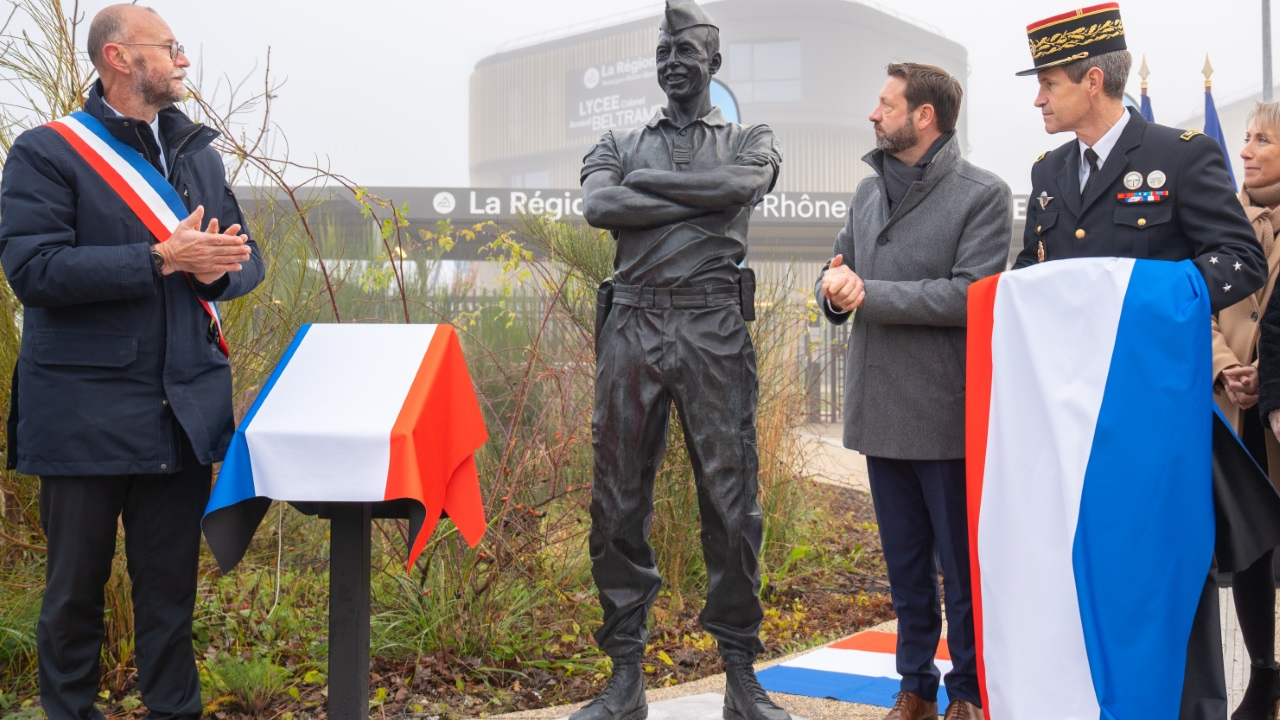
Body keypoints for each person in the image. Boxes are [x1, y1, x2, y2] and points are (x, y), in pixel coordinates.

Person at [0, 5, 264, 719]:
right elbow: (35, 270)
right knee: (73, 602)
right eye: (168, 47)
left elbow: (248, 263)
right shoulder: (46, 152)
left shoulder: (198, 155)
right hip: (84, 415)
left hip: (181, 414)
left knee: (171, 602)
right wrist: (159, 257)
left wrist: (214, 271)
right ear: (118, 58)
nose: (183, 60)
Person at [1014, 5, 1266, 720]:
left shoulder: (1182, 155)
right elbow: (1031, 281)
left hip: (1154, 421)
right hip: (1073, 424)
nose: (1037, 99)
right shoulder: (1047, 172)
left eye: (1048, 84)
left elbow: (1239, 260)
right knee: (1084, 575)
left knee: (1162, 579)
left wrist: (1147, 296)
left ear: (1092, 81)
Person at [576, 1, 785, 719]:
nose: (671, 62)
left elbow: (737, 188)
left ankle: (739, 674)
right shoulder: (618, 138)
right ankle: (624, 676)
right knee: (615, 501)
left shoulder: (749, 137)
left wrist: (648, 192)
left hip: (711, 325)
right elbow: (600, 208)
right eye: (662, 52)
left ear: (713, 63)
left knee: (732, 504)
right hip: (632, 322)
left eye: (685, 51)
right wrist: (690, 204)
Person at [816, 62, 1008, 720]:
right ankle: (915, 688)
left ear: (923, 116)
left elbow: (970, 295)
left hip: (944, 414)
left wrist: (869, 293)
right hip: (879, 411)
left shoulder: (984, 194)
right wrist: (832, 291)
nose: (874, 114)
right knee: (903, 569)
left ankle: (970, 693)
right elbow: (839, 266)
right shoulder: (868, 192)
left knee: (961, 571)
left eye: (885, 103)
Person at [1236, 103, 1280, 720]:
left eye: (1262, 139)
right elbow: (1199, 299)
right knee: (1248, 547)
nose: (1246, 149)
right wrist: (1226, 367)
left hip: (1275, 404)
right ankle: (1263, 674)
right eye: (1245, 138)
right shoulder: (1225, 219)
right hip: (1230, 403)